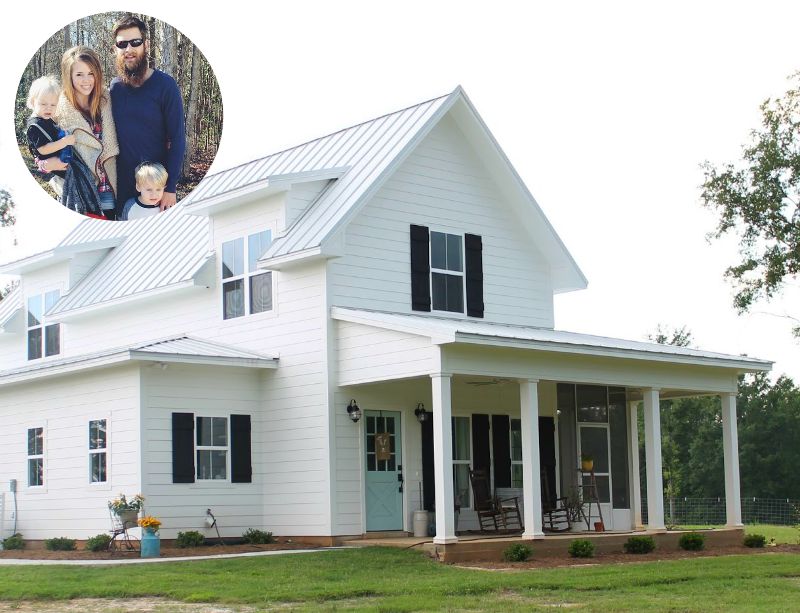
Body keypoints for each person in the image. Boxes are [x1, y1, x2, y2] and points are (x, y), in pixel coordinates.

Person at [110, 14, 185, 217]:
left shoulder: (165, 86)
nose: (129, 49)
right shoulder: (113, 89)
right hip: (122, 192)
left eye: (135, 42)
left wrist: (170, 188)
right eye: (122, 44)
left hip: (156, 193)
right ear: (115, 49)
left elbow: (178, 139)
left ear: (146, 44)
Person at [55, 46, 119, 219]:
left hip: (111, 187)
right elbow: (42, 145)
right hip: (80, 193)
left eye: (91, 73)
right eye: (79, 74)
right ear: (69, 76)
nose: (86, 80)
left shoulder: (107, 100)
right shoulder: (58, 110)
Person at [25, 75, 74, 196]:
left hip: (61, 165)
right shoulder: (35, 125)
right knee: (69, 196)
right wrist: (65, 142)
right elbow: (43, 149)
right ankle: (58, 185)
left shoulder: (47, 119)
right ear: (32, 102)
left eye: (53, 105)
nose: (48, 108)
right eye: (43, 104)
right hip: (53, 165)